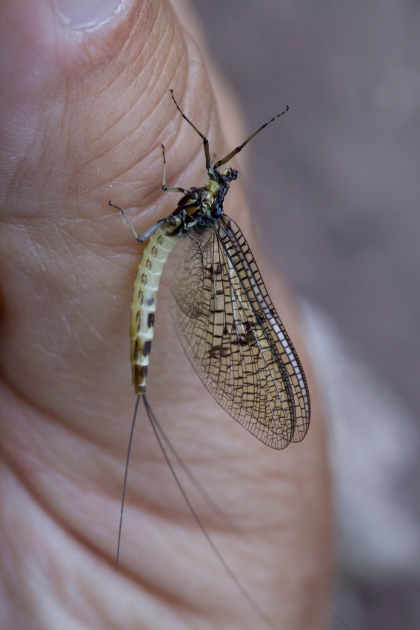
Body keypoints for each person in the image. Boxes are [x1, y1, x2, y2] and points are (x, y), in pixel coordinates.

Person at [0, 1, 331, 627]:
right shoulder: (199, 194)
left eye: (221, 175)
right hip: (159, 250)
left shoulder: (201, 203)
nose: (219, 175)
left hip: (157, 265)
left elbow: (180, 183)